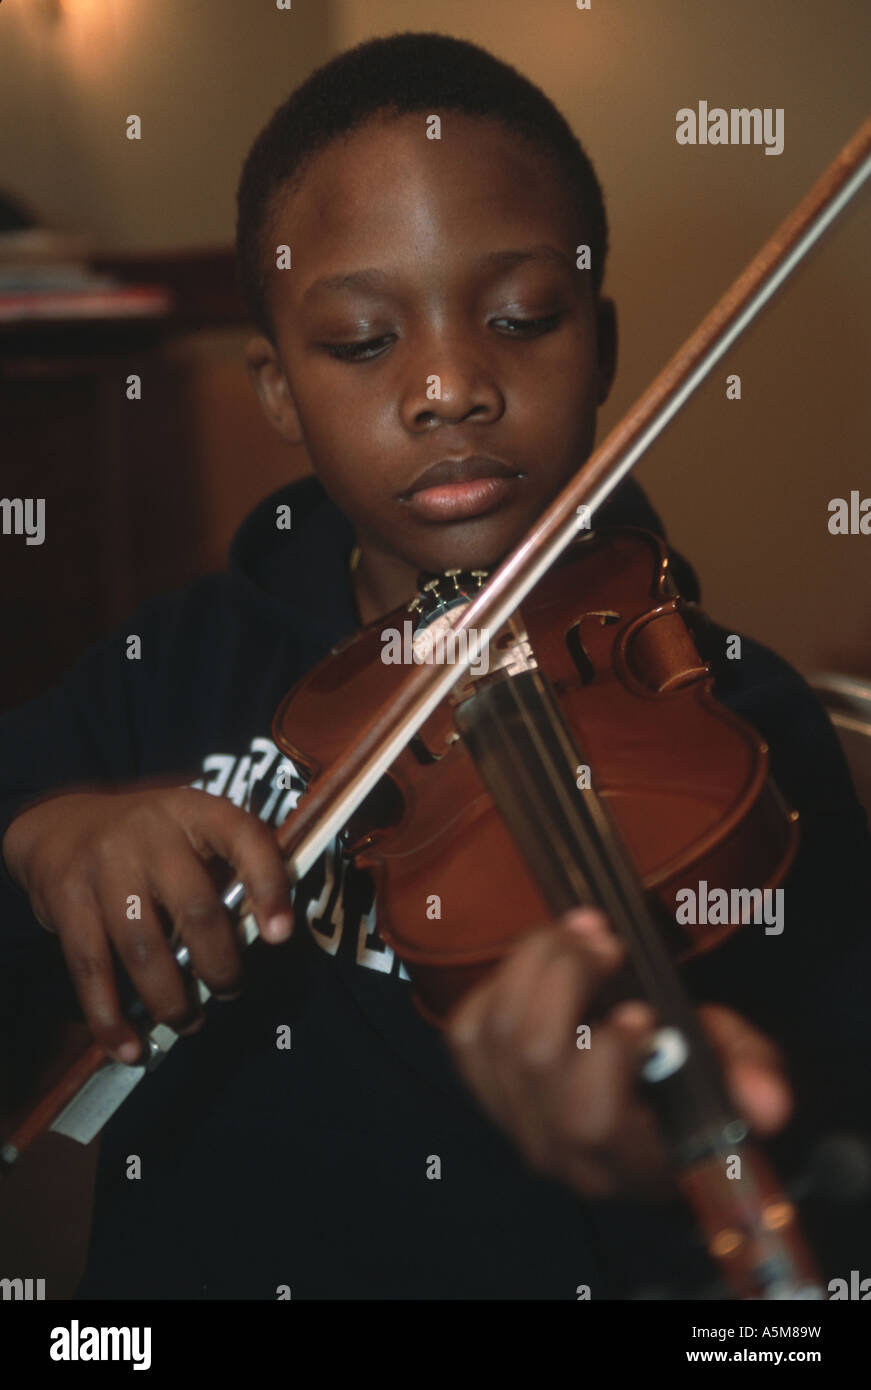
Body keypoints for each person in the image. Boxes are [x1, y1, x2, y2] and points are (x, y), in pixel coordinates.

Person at [1, 33, 869, 1301]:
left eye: (521, 318)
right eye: (360, 342)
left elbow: (834, 1119)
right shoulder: (179, 661)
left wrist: (675, 1154)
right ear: (281, 390)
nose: (452, 385)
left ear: (605, 342)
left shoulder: (736, 722)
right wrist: (54, 830)